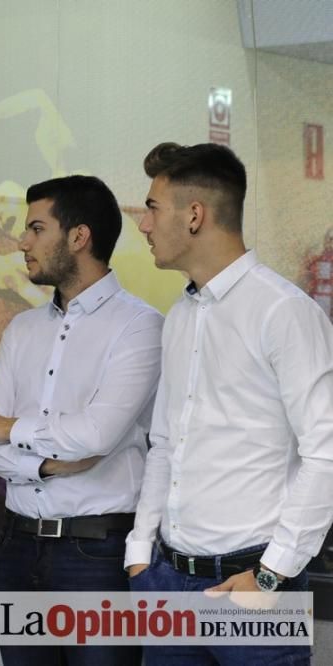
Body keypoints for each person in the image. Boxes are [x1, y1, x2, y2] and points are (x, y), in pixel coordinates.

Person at [126, 142, 333, 665]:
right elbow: (165, 444)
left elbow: (327, 452)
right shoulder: (179, 316)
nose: (143, 224)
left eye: (153, 208)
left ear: (194, 215)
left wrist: (272, 573)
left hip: (251, 588)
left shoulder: (284, 313)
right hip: (167, 581)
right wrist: (139, 556)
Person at [0, 175, 160, 666]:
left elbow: (95, 433)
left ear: (79, 237)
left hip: (96, 556)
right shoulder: (21, 328)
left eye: (36, 228)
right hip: (16, 548)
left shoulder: (140, 326)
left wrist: (12, 429)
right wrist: (48, 466)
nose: (22, 242)